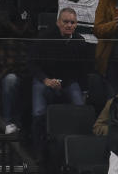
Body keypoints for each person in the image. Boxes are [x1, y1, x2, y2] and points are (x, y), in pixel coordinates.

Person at [29, 8, 89, 150]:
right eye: (65, 22)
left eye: (72, 22)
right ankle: (38, 150)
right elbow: (31, 63)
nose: (69, 25)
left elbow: (83, 70)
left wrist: (84, 90)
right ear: (58, 22)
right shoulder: (45, 38)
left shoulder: (80, 41)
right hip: (44, 79)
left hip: (68, 82)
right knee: (38, 112)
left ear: (76, 25)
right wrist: (46, 80)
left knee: (81, 108)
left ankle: (77, 148)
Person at [0, 0, 37, 136]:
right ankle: (8, 121)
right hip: (9, 71)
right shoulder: (2, 30)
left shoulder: (29, 28)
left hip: (28, 71)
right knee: (11, 80)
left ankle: (27, 128)